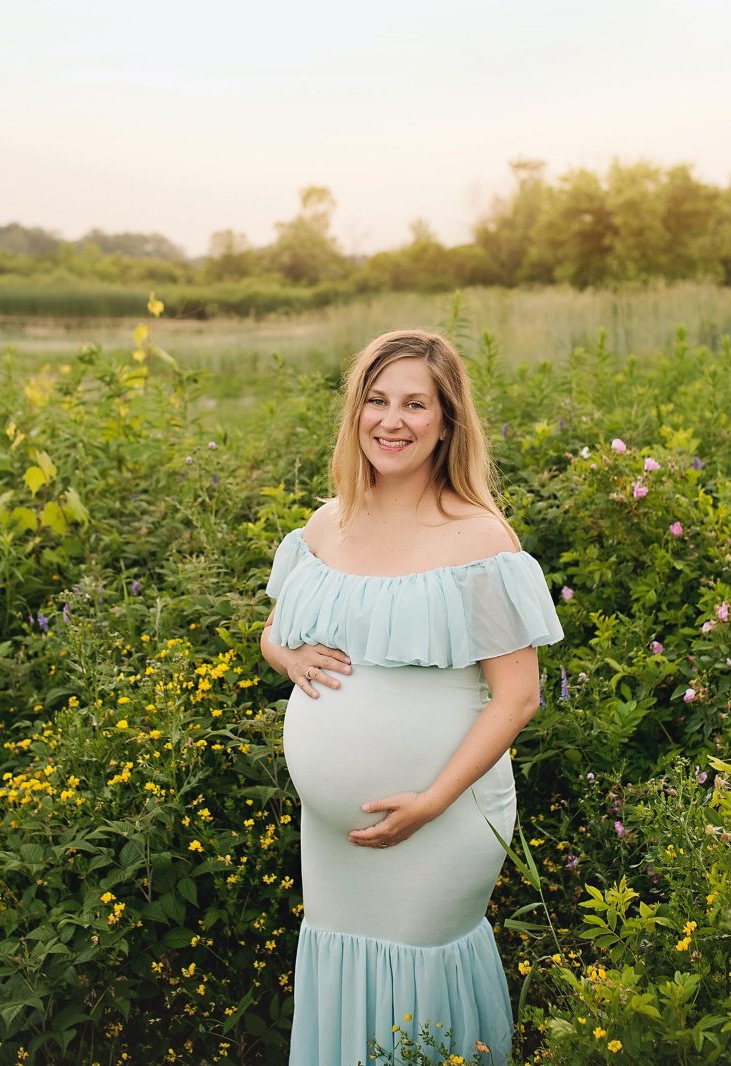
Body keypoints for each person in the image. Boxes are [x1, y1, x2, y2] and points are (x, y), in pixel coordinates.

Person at [258, 328, 564, 1066]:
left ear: (447, 420)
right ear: (356, 411)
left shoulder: (478, 538)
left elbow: (517, 698)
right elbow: (273, 634)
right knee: (344, 969)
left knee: (416, 989)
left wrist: (430, 802)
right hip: (333, 840)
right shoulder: (328, 523)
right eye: (377, 400)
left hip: (443, 822)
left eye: (415, 404)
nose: (392, 421)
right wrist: (291, 656)